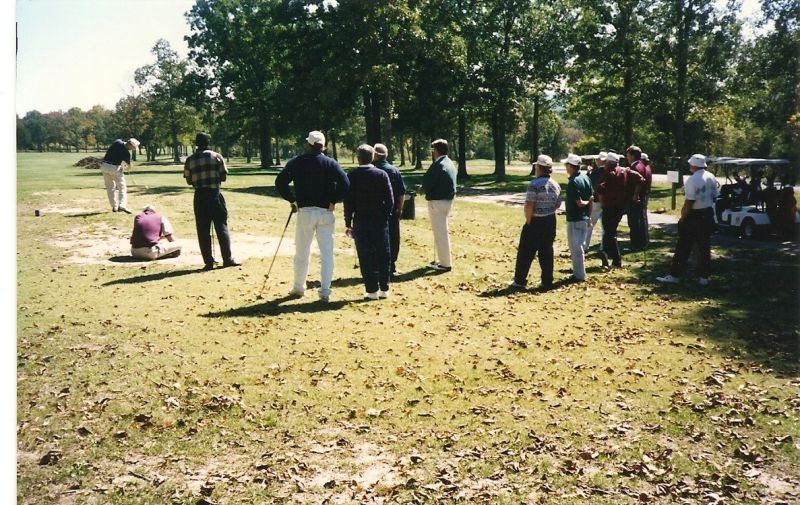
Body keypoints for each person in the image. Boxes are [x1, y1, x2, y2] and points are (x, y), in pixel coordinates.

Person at [276, 130, 350, 302]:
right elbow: (345, 184)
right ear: (322, 146)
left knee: (302, 252)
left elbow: (280, 182)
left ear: (308, 144)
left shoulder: (297, 162)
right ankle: (325, 292)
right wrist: (334, 200)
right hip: (325, 212)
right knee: (326, 254)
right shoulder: (330, 163)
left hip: (305, 212)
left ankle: (299, 287)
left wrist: (292, 199)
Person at [657, 154, 719, 285]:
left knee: (683, 246)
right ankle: (704, 277)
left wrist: (682, 218)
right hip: (707, 213)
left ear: (693, 165)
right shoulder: (711, 177)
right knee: (704, 246)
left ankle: (675, 274)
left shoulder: (692, 180)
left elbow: (689, 202)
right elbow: (714, 196)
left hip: (694, 215)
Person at [183, 132, 241, 270]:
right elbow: (223, 177)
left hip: (199, 196)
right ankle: (227, 259)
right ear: (208, 142)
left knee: (203, 230)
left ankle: (208, 262)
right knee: (221, 227)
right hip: (215, 194)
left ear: (196, 143)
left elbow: (188, 180)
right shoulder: (217, 156)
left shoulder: (190, 160)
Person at [344, 145, 394, 300]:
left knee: (365, 256)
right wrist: (385, 216)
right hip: (379, 220)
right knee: (383, 253)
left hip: (361, 220)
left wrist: (348, 222)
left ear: (358, 158)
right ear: (373, 157)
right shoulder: (381, 174)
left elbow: (348, 202)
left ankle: (371, 290)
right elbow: (390, 200)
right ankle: (384, 287)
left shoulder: (351, 176)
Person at [508, 155, 561, 290]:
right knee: (546, 251)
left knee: (526, 252)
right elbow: (558, 203)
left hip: (536, 221)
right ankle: (547, 280)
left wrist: (528, 220)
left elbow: (529, 205)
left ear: (539, 168)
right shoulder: (555, 184)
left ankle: (520, 281)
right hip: (550, 220)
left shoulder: (534, 184)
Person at [596, 152, 644, 268]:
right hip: (621, 206)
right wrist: (635, 195)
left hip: (609, 206)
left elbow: (600, 189)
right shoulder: (626, 171)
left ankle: (612, 257)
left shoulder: (608, 173)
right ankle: (608, 255)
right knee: (611, 232)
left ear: (609, 163)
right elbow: (641, 179)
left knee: (609, 232)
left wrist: (602, 203)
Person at [422, 139, 457, 272]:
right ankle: (442, 260)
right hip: (448, 200)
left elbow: (427, 181)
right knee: (442, 231)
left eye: (433, 150)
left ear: (436, 151)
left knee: (440, 232)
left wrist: (423, 188)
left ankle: (445, 263)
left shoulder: (438, 165)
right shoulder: (449, 163)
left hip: (437, 201)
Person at [372, 143, 406, 278]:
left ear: (375, 155)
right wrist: (400, 208)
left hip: (375, 210)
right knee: (393, 238)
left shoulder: (372, 169)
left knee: (375, 239)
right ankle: (391, 266)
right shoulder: (394, 170)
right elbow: (401, 193)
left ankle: (376, 266)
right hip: (391, 210)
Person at [562, 154, 593, 282]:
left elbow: (580, 202)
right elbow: (591, 198)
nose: (565, 167)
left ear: (570, 166)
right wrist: (590, 216)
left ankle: (579, 275)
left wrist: (584, 203)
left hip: (575, 218)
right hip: (584, 217)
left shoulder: (573, 182)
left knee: (576, 248)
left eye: (566, 165)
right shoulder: (586, 178)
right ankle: (578, 272)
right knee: (580, 245)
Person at [100, 138, 139, 214]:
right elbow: (128, 166)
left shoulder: (117, 142)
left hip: (104, 166)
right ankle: (122, 205)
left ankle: (114, 206)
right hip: (114, 168)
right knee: (122, 187)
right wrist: (124, 167)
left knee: (110, 187)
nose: (132, 150)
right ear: (130, 145)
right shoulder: (126, 153)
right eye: (133, 148)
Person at [626, 146, 651, 249]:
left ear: (632, 155)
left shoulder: (636, 167)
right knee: (640, 219)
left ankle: (635, 243)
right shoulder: (641, 165)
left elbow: (639, 183)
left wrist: (635, 195)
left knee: (634, 221)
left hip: (635, 198)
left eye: (628, 155)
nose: (627, 157)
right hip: (641, 196)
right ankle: (643, 241)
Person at [584, 151, 607, 251]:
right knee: (604, 226)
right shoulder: (609, 171)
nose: (596, 161)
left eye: (598, 159)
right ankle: (603, 246)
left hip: (596, 201)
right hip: (607, 202)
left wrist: (589, 173)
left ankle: (585, 246)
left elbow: (589, 183)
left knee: (590, 224)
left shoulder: (595, 172)